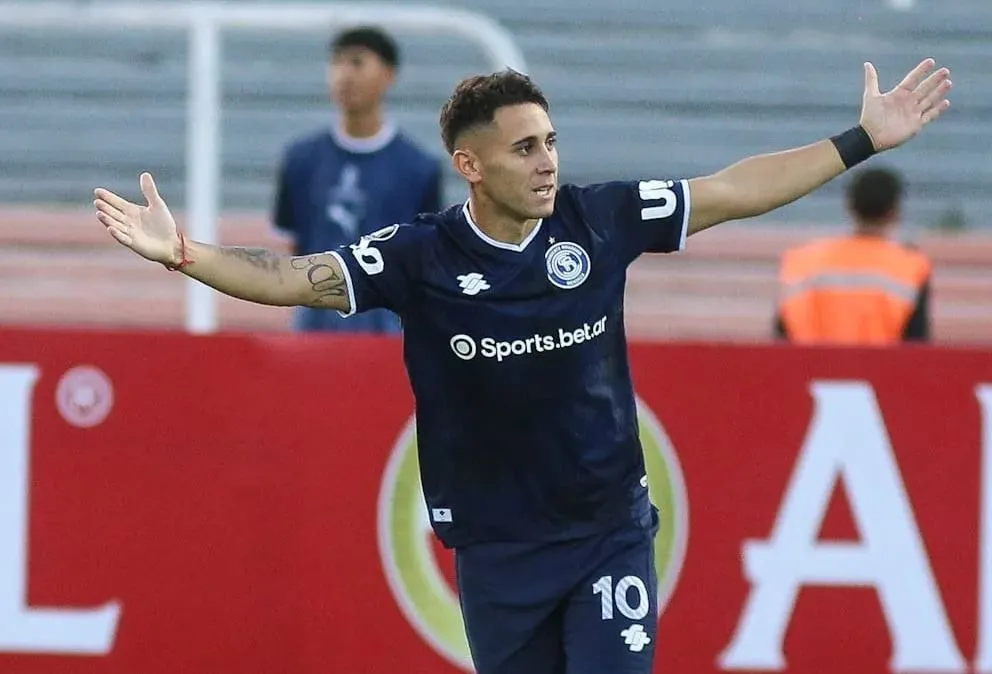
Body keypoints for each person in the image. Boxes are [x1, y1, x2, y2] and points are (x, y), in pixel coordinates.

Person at [94, 59, 951, 673]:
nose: (546, 163)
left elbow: (731, 188)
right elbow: (292, 277)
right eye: (523, 150)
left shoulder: (599, 220)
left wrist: (861, 140)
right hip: (498, 549)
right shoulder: (419, 256)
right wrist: (182, 253)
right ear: (469, 166)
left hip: (607, 532)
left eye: (550, 142)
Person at [272, 25, 442, 334]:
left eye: (357, 62)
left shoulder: (419, 167)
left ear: (388, 75)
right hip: (314, 326)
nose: (344, 74)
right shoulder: (301, 159)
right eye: (336, 62)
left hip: (387, 329)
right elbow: (293, 240)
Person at [774, 166, 932, 344]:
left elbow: (781, 338)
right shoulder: (910, 266)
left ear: (850, 205)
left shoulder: (802, 261)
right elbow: (916, 345)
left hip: (808, 369)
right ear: (895, 211)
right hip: (879, 370)